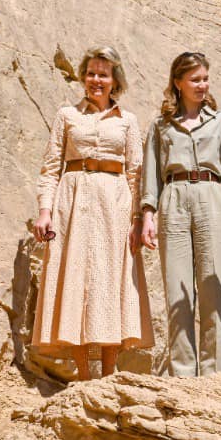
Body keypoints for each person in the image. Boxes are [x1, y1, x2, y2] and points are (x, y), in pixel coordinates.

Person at [31, 45, 153, 379]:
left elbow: (136, 173)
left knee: (111, 281)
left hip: (114, 205)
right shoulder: (67, 115)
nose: (95, 80)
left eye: (103, 74)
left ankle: (109, 374)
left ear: (115, 80)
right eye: (91, 73)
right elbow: (50, 167)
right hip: (72, 205)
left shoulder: (128, 121)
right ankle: (84, 375)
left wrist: (138, 218)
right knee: (76, 282)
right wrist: (45, 211)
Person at [136, 51, 221, 376]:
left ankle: (215, 372)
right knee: (177, 286)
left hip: (211, 195)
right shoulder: (161, 126)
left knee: (214, 285)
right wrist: (147, 215)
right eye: (195, 80)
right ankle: (183, 373)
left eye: (205, 79)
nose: (202, 85)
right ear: (178, 83)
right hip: (173, 197)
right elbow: (151, 174)